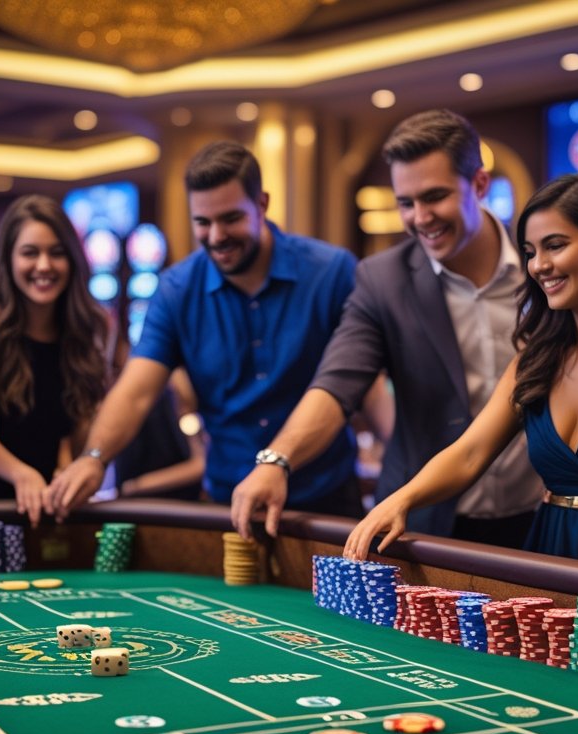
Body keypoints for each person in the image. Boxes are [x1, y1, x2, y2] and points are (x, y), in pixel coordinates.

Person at [231, 109, 544, 549]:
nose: (420, 217)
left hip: (539, 518)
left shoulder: (543, 266)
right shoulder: (382, 280)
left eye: (434, 196)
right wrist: (276, 461)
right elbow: (338, 383)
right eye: (405, 202)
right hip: (424, 525)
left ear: (478, 184)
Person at [343, 174, 578, 561]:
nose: (539, 265)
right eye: (529, 251)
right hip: (548, 557)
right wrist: (401, 501)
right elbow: (471, 453)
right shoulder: (537, 357)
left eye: (555, 246)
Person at [44, 140, 359, 519]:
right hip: (230, 502)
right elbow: (137, 391)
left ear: (262, 204)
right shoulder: (177, 289)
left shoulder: (331, 272)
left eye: (231, 219)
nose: (216, 236)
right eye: (202, 222)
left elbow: (348, 384)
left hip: (326, 500)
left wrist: (279, 462)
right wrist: (94, 457)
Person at [0, 195, 109, 525]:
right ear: (8, 259)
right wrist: (24, 475)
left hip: (48, 504)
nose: (44, 265)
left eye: (57, 253)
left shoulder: (92, 327)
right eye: (30, 253)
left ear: (74, 260)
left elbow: (79, 434)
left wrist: (73, 469)